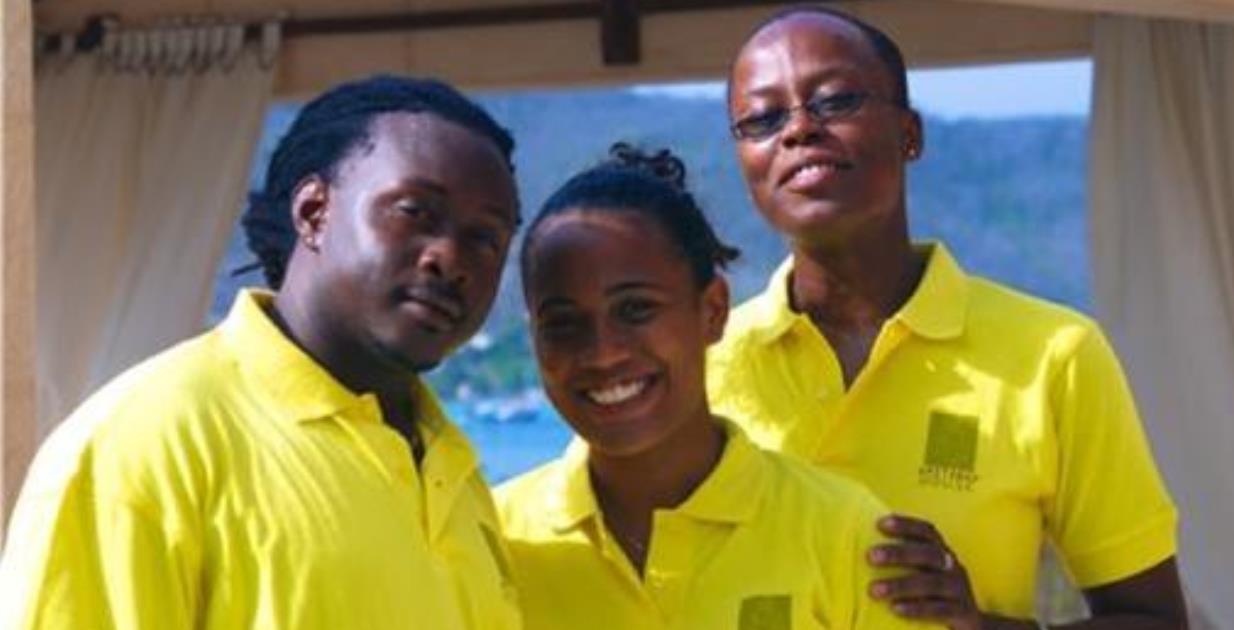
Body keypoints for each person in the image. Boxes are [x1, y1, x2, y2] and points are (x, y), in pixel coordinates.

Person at [708, 8, 1189, 630]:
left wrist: (981, 627)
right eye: (763, 119)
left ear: (909, 134)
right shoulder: (701, 365)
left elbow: (1154, 619)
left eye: (835, 101)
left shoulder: (1054, 354)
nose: (799, 129)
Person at [0, 75, 522, 629]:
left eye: (485, 239)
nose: (451, 259)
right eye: (415, 212)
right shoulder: (141, 443)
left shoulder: (456, 474)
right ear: (313, 211)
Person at [494, 144, 937, 630]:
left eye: (636, 309)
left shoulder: (843, 533)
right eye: (563, 323)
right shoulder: (492, 540)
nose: (603, 352)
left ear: (713, 311)